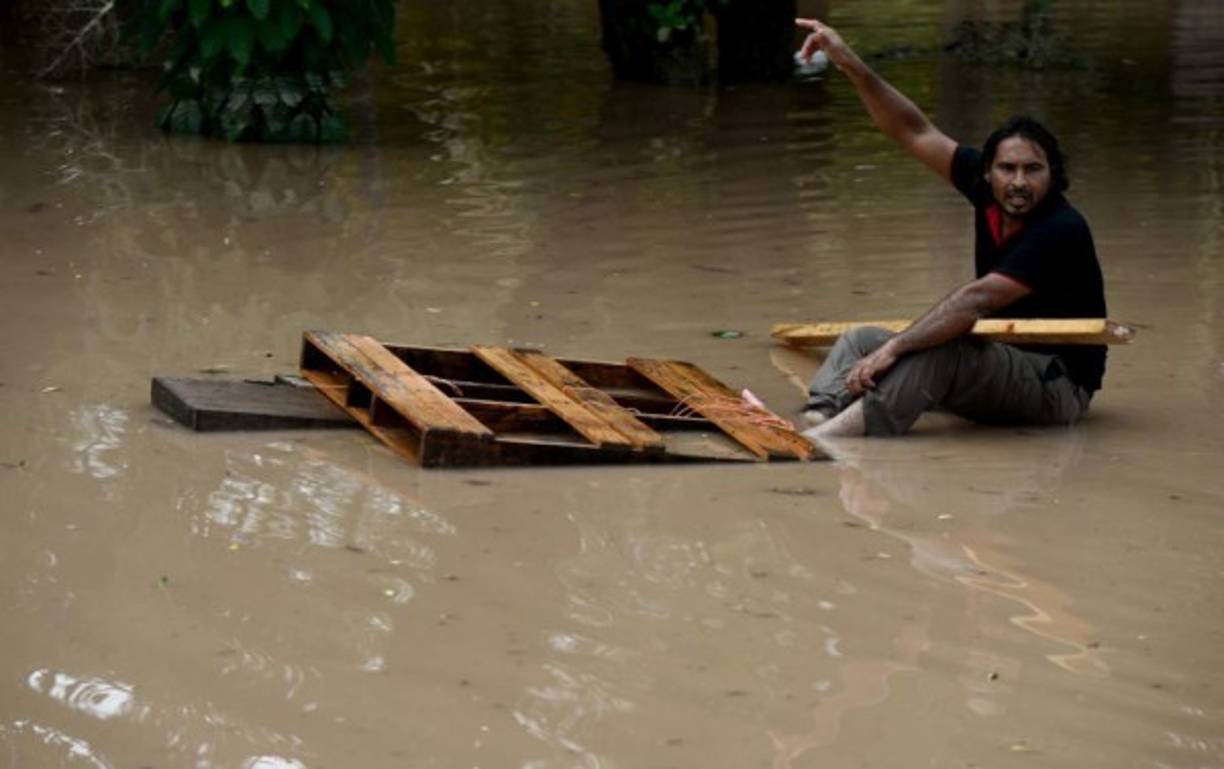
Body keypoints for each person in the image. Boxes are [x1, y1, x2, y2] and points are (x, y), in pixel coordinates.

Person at [794, 18, 1107, 438]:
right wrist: (848, 61)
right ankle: (819, 413)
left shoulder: (1060, 227)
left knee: (940, 348)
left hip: (1057, 387)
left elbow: (975, 300)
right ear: (988, 173)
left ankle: (830, 441)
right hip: (1001, 362)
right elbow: (911, 129)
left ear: (1053, 175)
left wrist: (896, 348)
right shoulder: (984, 189)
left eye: (1033, 169)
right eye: (1007, 169)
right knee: (858, 340)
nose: (1018, 182)